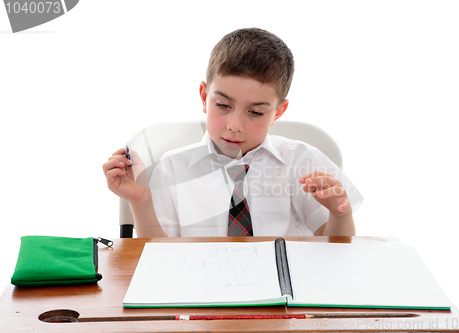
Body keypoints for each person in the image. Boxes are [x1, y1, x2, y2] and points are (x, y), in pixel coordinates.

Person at [103, 28, 362, 238]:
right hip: (201, 295)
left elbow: (336, 251)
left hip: (285, 298)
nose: (235, 125)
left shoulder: (300, 161)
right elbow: (158, 254)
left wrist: (340, 214)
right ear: (205, 97)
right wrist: (141, 202)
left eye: (256, 113)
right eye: (224, 106)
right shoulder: (171, 168)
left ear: (278, 112)